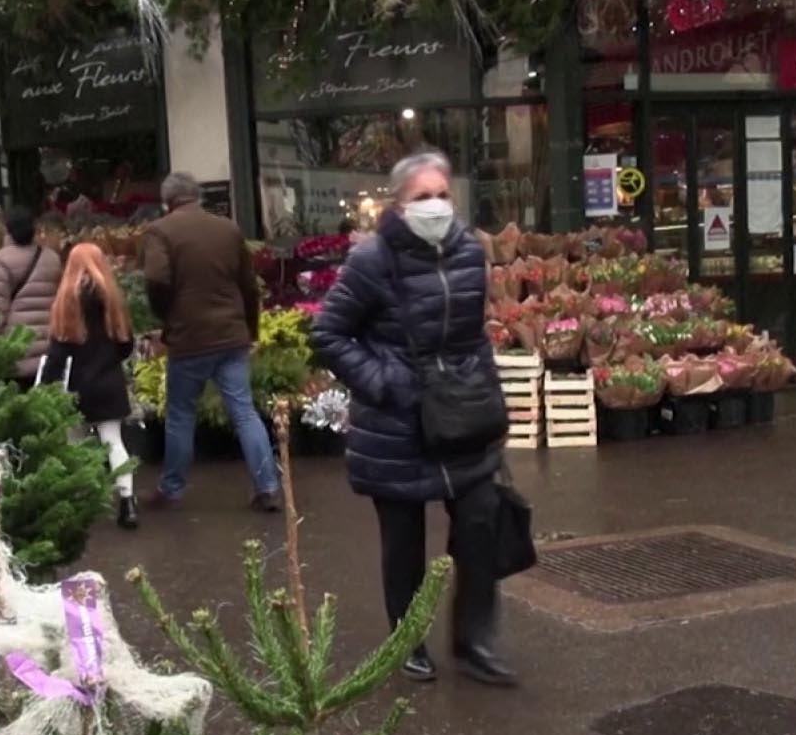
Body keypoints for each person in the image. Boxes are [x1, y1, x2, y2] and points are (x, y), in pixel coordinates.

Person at [310, 150, 516, 687]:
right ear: (399, 205)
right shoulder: (372, 260)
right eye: (422, 196)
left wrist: (492, 401)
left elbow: (474, 335)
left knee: (478, 526)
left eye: (442, 194)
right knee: (404, 544)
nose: (435, 205)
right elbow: (329, 333)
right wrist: (384, 383)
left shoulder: (470, 252)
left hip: (463, 416)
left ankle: (474, 643)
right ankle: (408, 642)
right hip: (397, 426)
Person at [141, 171, 282, 512]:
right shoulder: (228, 229)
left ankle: (172, 489)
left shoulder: (160, 231)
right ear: (198, 196)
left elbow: (156, 278)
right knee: (244, 412)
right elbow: (249, 285)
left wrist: (166, 317)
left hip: (189, 338)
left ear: (168, 200)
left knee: (180, 415)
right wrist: (250, 329)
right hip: (231, 335)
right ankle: (266, 486)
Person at [43, 243, 140, 530]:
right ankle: (128, 503)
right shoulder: (112, 299)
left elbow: (58, 349)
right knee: (114, 441)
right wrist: (109, 361)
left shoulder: (65, 302)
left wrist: (47, 384)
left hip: (76, 385)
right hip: (109, 381)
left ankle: (81, 505)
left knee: (75, 443)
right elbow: (126, 344)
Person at [0, 206, 63, 383]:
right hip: (47, 347)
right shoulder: (52, 258)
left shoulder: (0, 260)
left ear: (8, 231)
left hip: (17, 348)